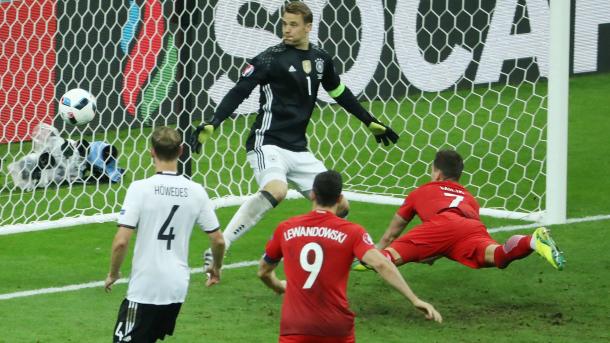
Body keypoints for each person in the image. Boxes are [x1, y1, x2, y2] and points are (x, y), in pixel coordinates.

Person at [190, 1, 399, 271]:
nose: (286, 30)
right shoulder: (269, 58)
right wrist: (214, 121)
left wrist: (369, 121)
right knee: (277, 190)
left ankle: (323, 248)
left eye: (293, 24)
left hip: (299, 149)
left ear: (308, 27)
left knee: (341, 205)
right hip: (267, 142)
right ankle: (222, 244)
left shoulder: (321, 59)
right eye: (284, 24)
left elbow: (339, 93)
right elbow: (239, 90)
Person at [258, 170, 442, 343]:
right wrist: (414, 299)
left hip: (295, 326)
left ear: (313, 194)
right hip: (335, 326)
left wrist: (280, 286)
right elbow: (382, 264)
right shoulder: (353, 232)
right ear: (339, 198)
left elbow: (263, 272)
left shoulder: (286, 228)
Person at [104, 126, 225, 342]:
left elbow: (121, 242)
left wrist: (113, 273)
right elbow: (218, 240)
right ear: (181, 151)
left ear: (151, 151)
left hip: (145, 288)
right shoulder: (196, 191)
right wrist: (216, 268)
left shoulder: (139, 189)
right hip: (176, 288)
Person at [354, 149, 565, 272]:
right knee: (499, 255)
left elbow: (392, 233)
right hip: (470, 228)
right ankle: (532, 241)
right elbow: (451, 237)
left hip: (440, 227)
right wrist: (432, 252)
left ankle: (352, 266)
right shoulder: (470, 199)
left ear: (437, 173)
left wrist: (373, 254)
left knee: (384, 260)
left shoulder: (420, 192)